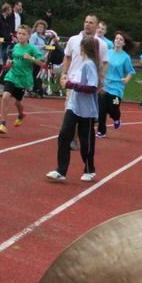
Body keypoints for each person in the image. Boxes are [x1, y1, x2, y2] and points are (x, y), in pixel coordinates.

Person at [47, 35, 101, 182]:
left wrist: (70, 85)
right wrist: (67, 81)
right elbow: (78, 82)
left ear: (82, 48)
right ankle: (61, 170)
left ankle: (90, 169)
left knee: (86, 141)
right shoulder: (83, 64)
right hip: (74, 106)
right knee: (64, 135)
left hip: (86, 110)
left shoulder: (89, 65)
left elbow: (92, 87)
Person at [0, 24, 45, 134]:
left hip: (23, 79)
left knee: (18, 103)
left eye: (23, 34)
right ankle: (2, 123)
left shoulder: (32, 48)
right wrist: (10, 62)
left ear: (28, 36)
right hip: (12, 75)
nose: (21, 36)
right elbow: (13, 59)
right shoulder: (15, 46)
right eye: (19, 33)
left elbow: (42, 63)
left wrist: (31, 58)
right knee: (5, 97)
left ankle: (21, 114)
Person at [97, 31, 136, 137]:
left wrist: (127, 79)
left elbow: (131, 71)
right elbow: (101, 65)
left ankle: (116, 118)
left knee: (113, 107)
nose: (118, 40)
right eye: (116, 38)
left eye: (120, 39)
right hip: (105, 85)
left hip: (117, 88)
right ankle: (101, 131)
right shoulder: (107, 52)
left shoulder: (125, 57)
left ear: (124, 43)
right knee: (102, 109)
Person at [29, 19, 49, 97]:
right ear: (36, 27)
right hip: (35, 57)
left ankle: (38, 89)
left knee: (40, 74)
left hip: (43, 58)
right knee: (35, 73)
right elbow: (31, 46)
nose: (40, 28)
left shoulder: (45, 37)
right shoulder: (34, 36)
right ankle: (34, 89)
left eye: (42, 27)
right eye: (39, 27)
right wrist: (42, 47)